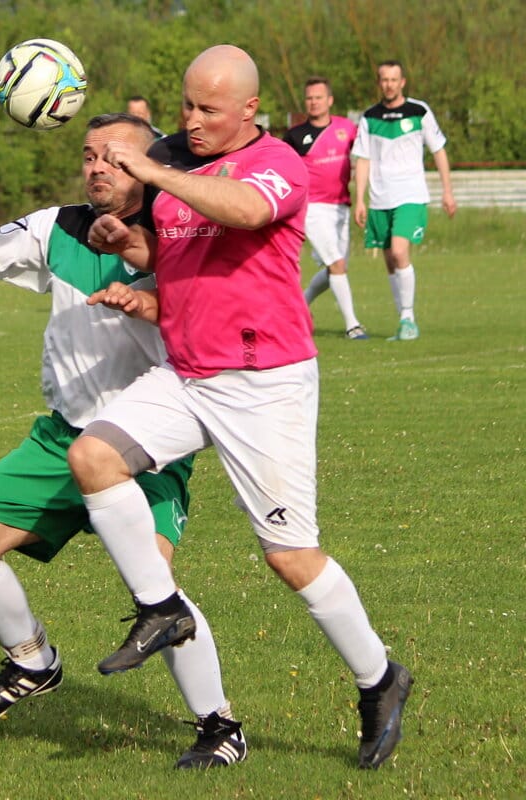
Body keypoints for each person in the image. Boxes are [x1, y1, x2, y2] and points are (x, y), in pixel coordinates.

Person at [0, 112, 246, 769]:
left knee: (156, 586)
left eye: (115, 158)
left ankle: (218, 725)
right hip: (64, 438)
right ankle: (33, 662)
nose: (96, 167)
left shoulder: (181, 232)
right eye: (89, 155)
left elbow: (226, 315)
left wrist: (152, 301)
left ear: (149, 166)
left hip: (147, 446)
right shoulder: (54, 226)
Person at [68, 46, 412, 770]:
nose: (190, 121)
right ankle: (160, 607)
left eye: (208, 110)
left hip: (265, 382)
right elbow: (171, 254)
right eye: (186, 105)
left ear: (249, 110)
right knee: (92, 456)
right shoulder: (178, 160)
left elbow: (246, 210)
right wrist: (125, 241)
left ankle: (380, 677)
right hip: (189, 371)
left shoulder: (278, 163)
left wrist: (159, 171)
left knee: (290, 557)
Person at [352, 60, 457, 341]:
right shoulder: (369, 117)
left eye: (394, 79)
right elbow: (363, 158)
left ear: (403, 82)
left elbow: (439, 150)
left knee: (400, 252)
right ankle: (403, 322)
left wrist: (447, 191)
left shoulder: (419, 111)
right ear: (379, 83)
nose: (389, 84)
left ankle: (408, 317)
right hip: (379, 198)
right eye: (384, 79)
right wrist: (360, 199)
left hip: (410, 194)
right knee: (389, 260)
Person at [283, 77, 367, 339]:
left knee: (336, 268)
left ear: (329, 100)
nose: (314, 102)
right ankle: (353, 325)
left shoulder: (347, 128)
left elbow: (365, 155)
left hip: (341, 205)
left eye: (318, 97)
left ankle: (301, 305)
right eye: (309, 98)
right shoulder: (295, 135)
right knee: (336, 264)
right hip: (312, 208)